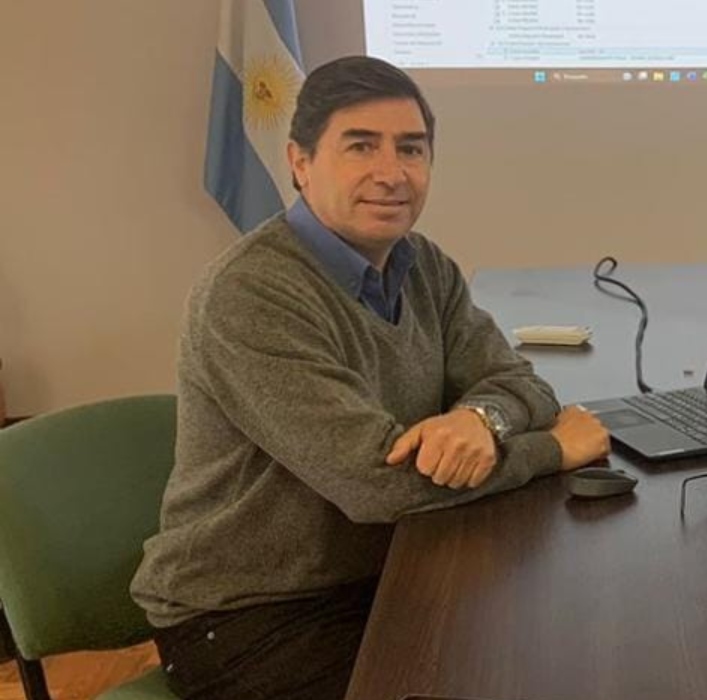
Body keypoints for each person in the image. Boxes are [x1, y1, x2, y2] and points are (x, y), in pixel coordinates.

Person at [131, 56, 611, 700]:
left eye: (410, 149)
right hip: (247, 615)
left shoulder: (423, 266)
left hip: (386, 567)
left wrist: (480, 419)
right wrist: (550, 449)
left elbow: (519, 382)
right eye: (360, 146)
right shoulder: (250, 293)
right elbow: (378, 485)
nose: (391, 173)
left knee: (565, 644)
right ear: (300, 163)